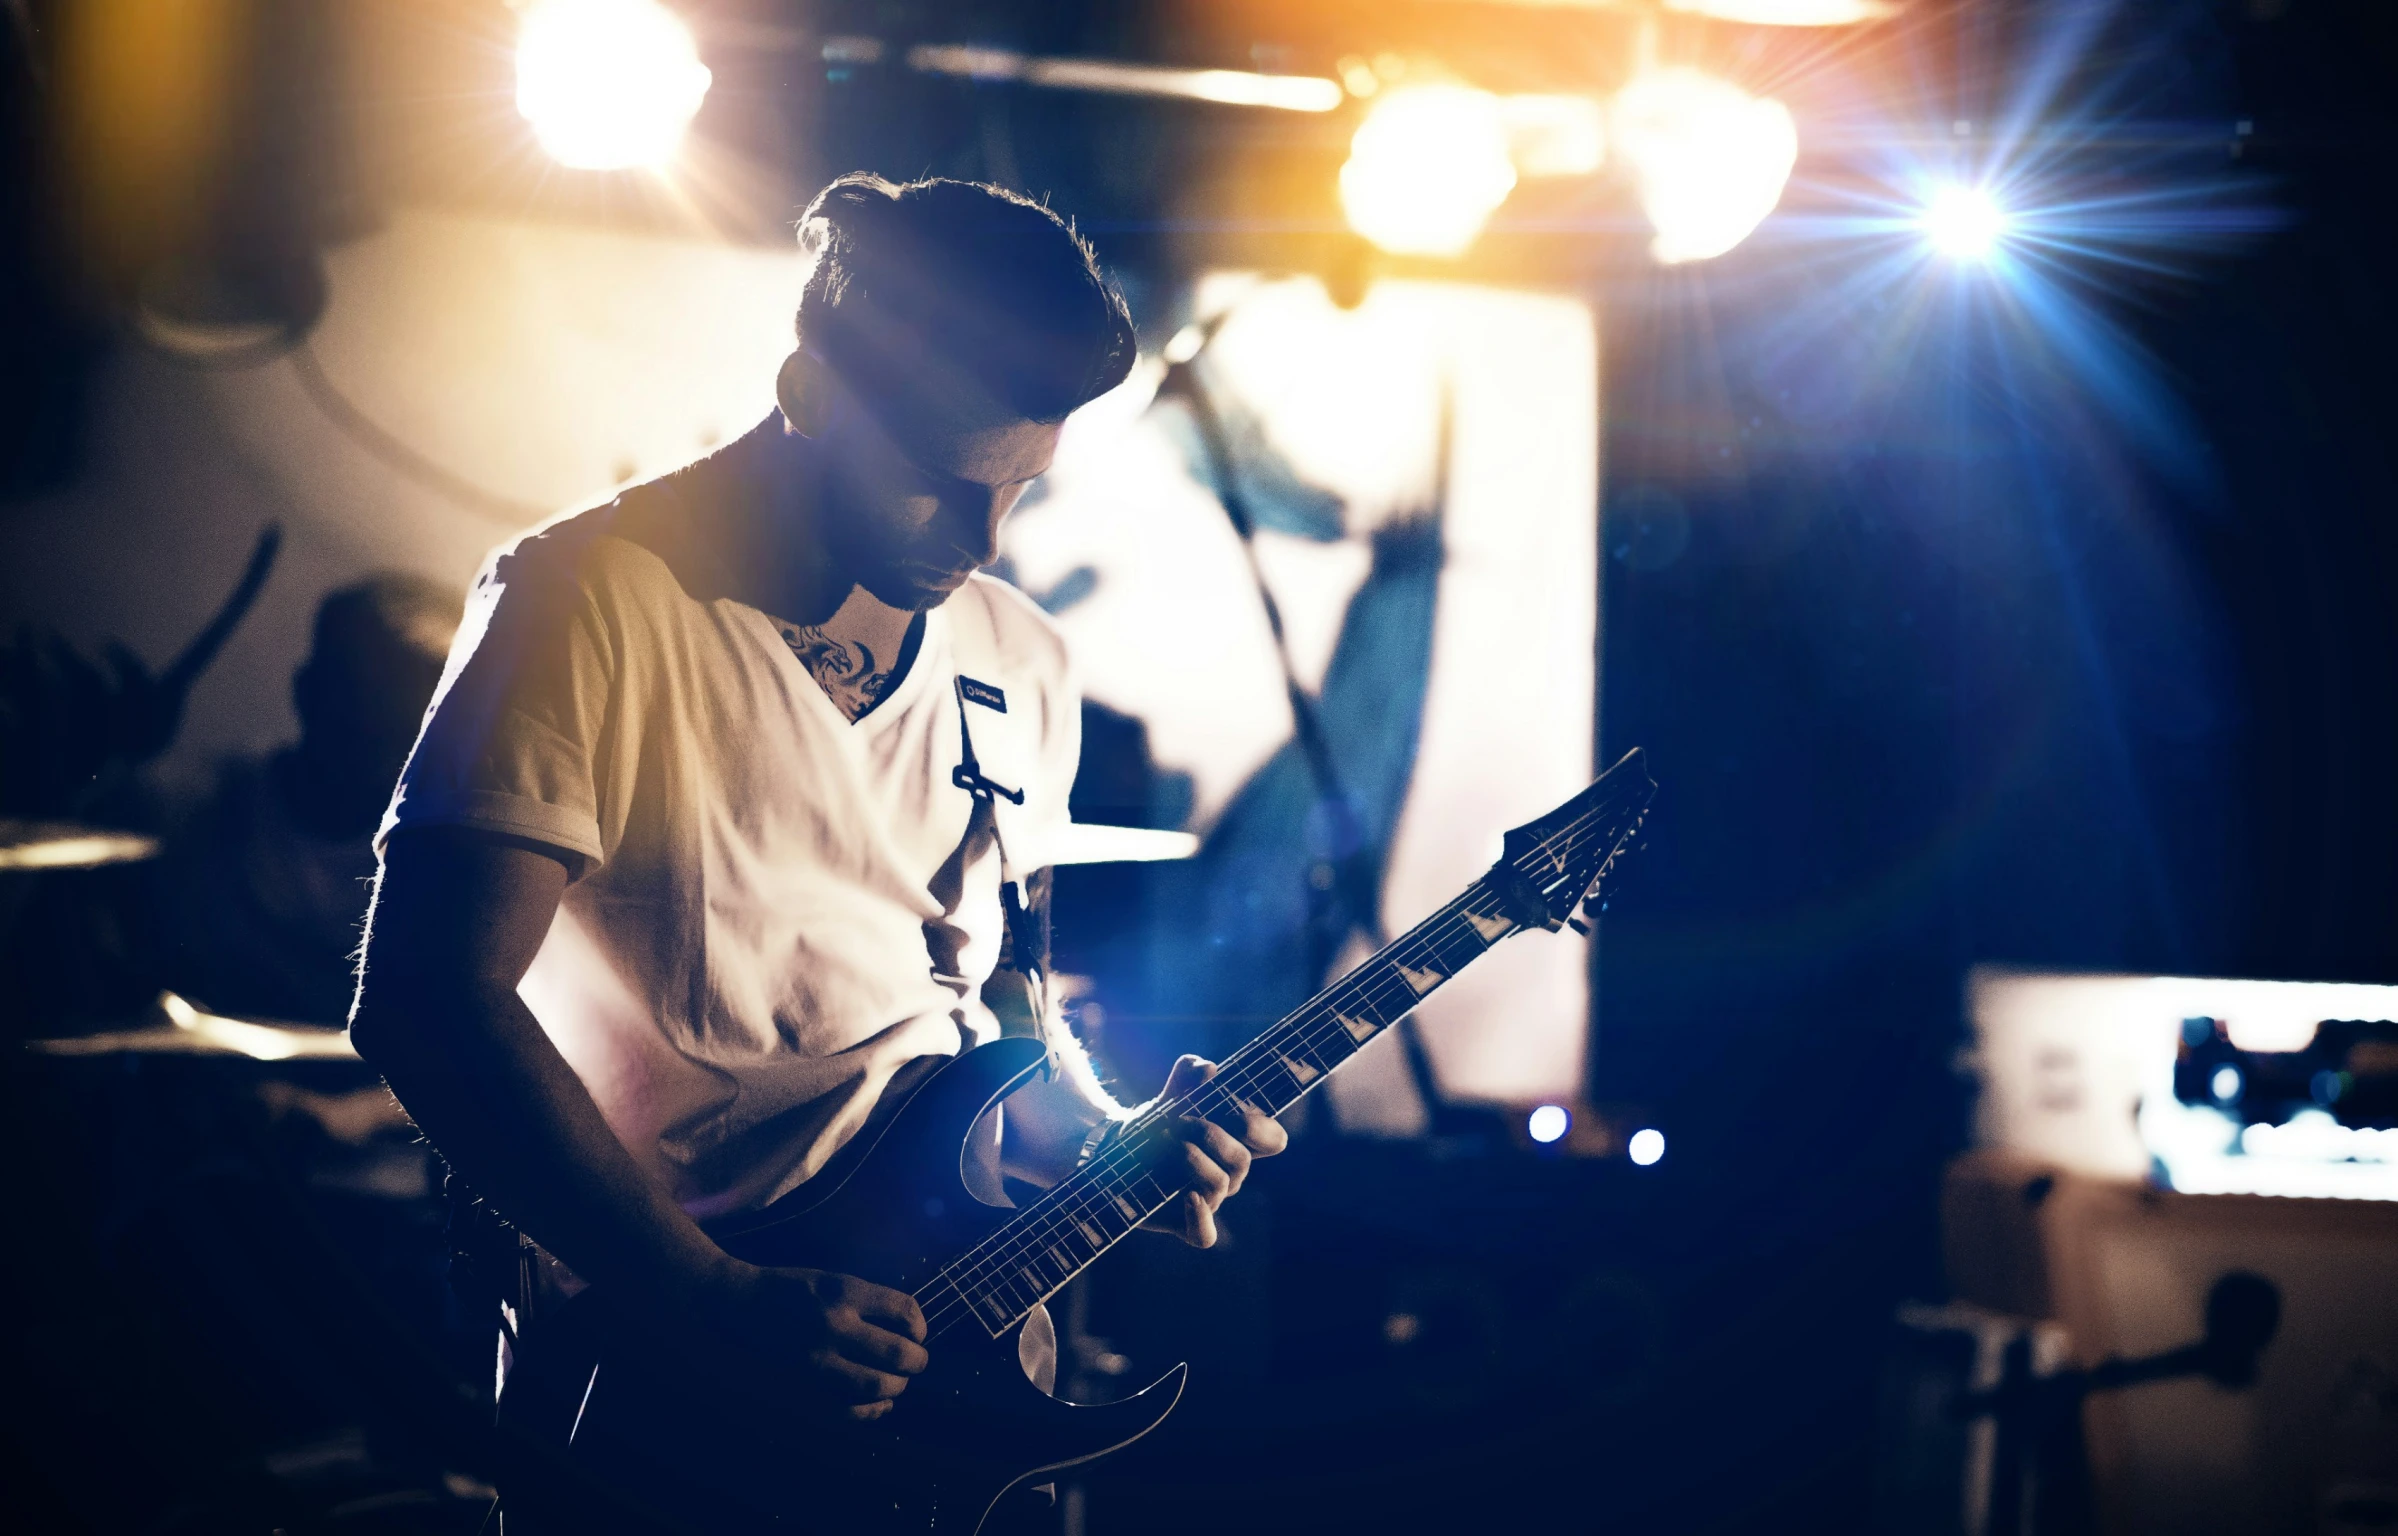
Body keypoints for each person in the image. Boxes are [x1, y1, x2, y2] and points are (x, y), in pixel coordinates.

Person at [346, 175, 1286, 1521]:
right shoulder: (586, 601)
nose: (981, 541)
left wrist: (1115, 1141)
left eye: (1021, 489)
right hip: (669, 1378)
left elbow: (997, 1003)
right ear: (808, 390)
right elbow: (427, 1002)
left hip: (950, 1375)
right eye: (938, 485)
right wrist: (703, 1295)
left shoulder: (1020, 662)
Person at [158, 573, 462, 1024]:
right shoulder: (194, 810)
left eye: (407, 704)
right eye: (361, 695)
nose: (376, 725)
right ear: (309, 691)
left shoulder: (457, 872)